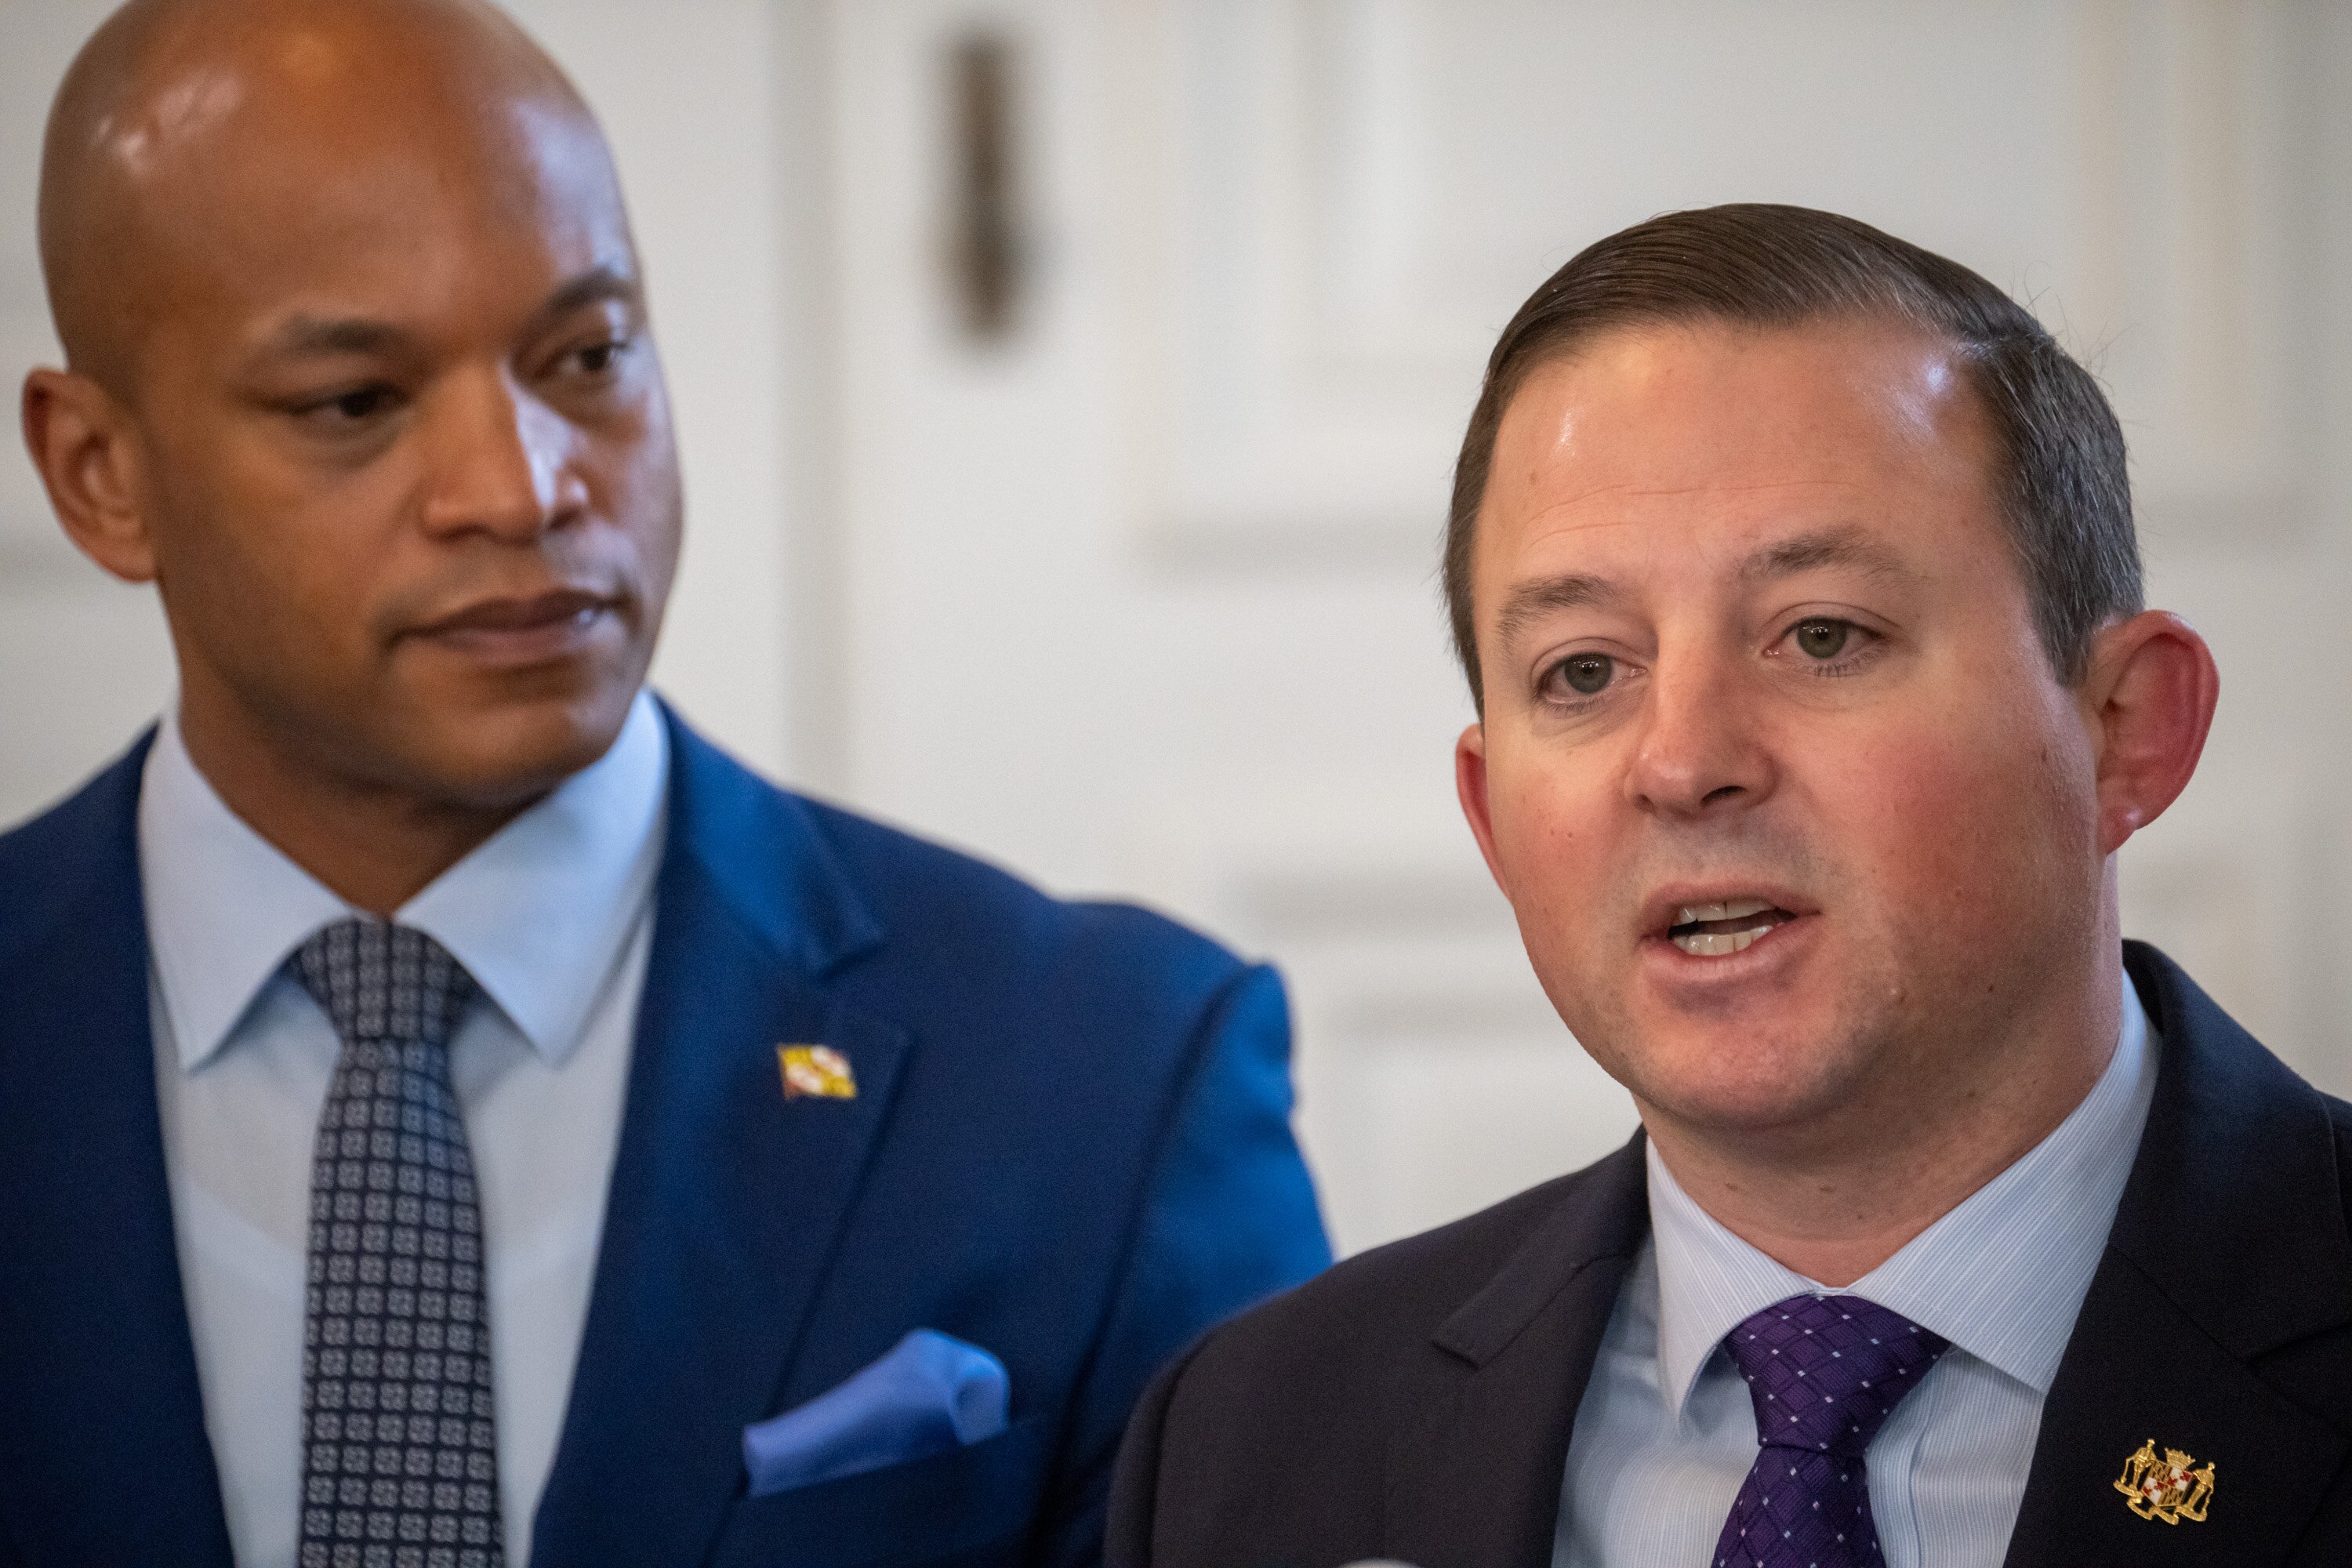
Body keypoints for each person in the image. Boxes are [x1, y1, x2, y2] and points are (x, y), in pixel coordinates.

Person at [0, 2, 1329, 1563]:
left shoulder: (1112, 1084)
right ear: (101, 476)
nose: (523, 486)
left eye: (586, 356)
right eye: (354, 403)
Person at [1109, 204, 2352, 1567]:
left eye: (1823, 636)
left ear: (2126, 728)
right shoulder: (1261, 1434)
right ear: (1490, 814)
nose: (1685, 761)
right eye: (1584, 671)